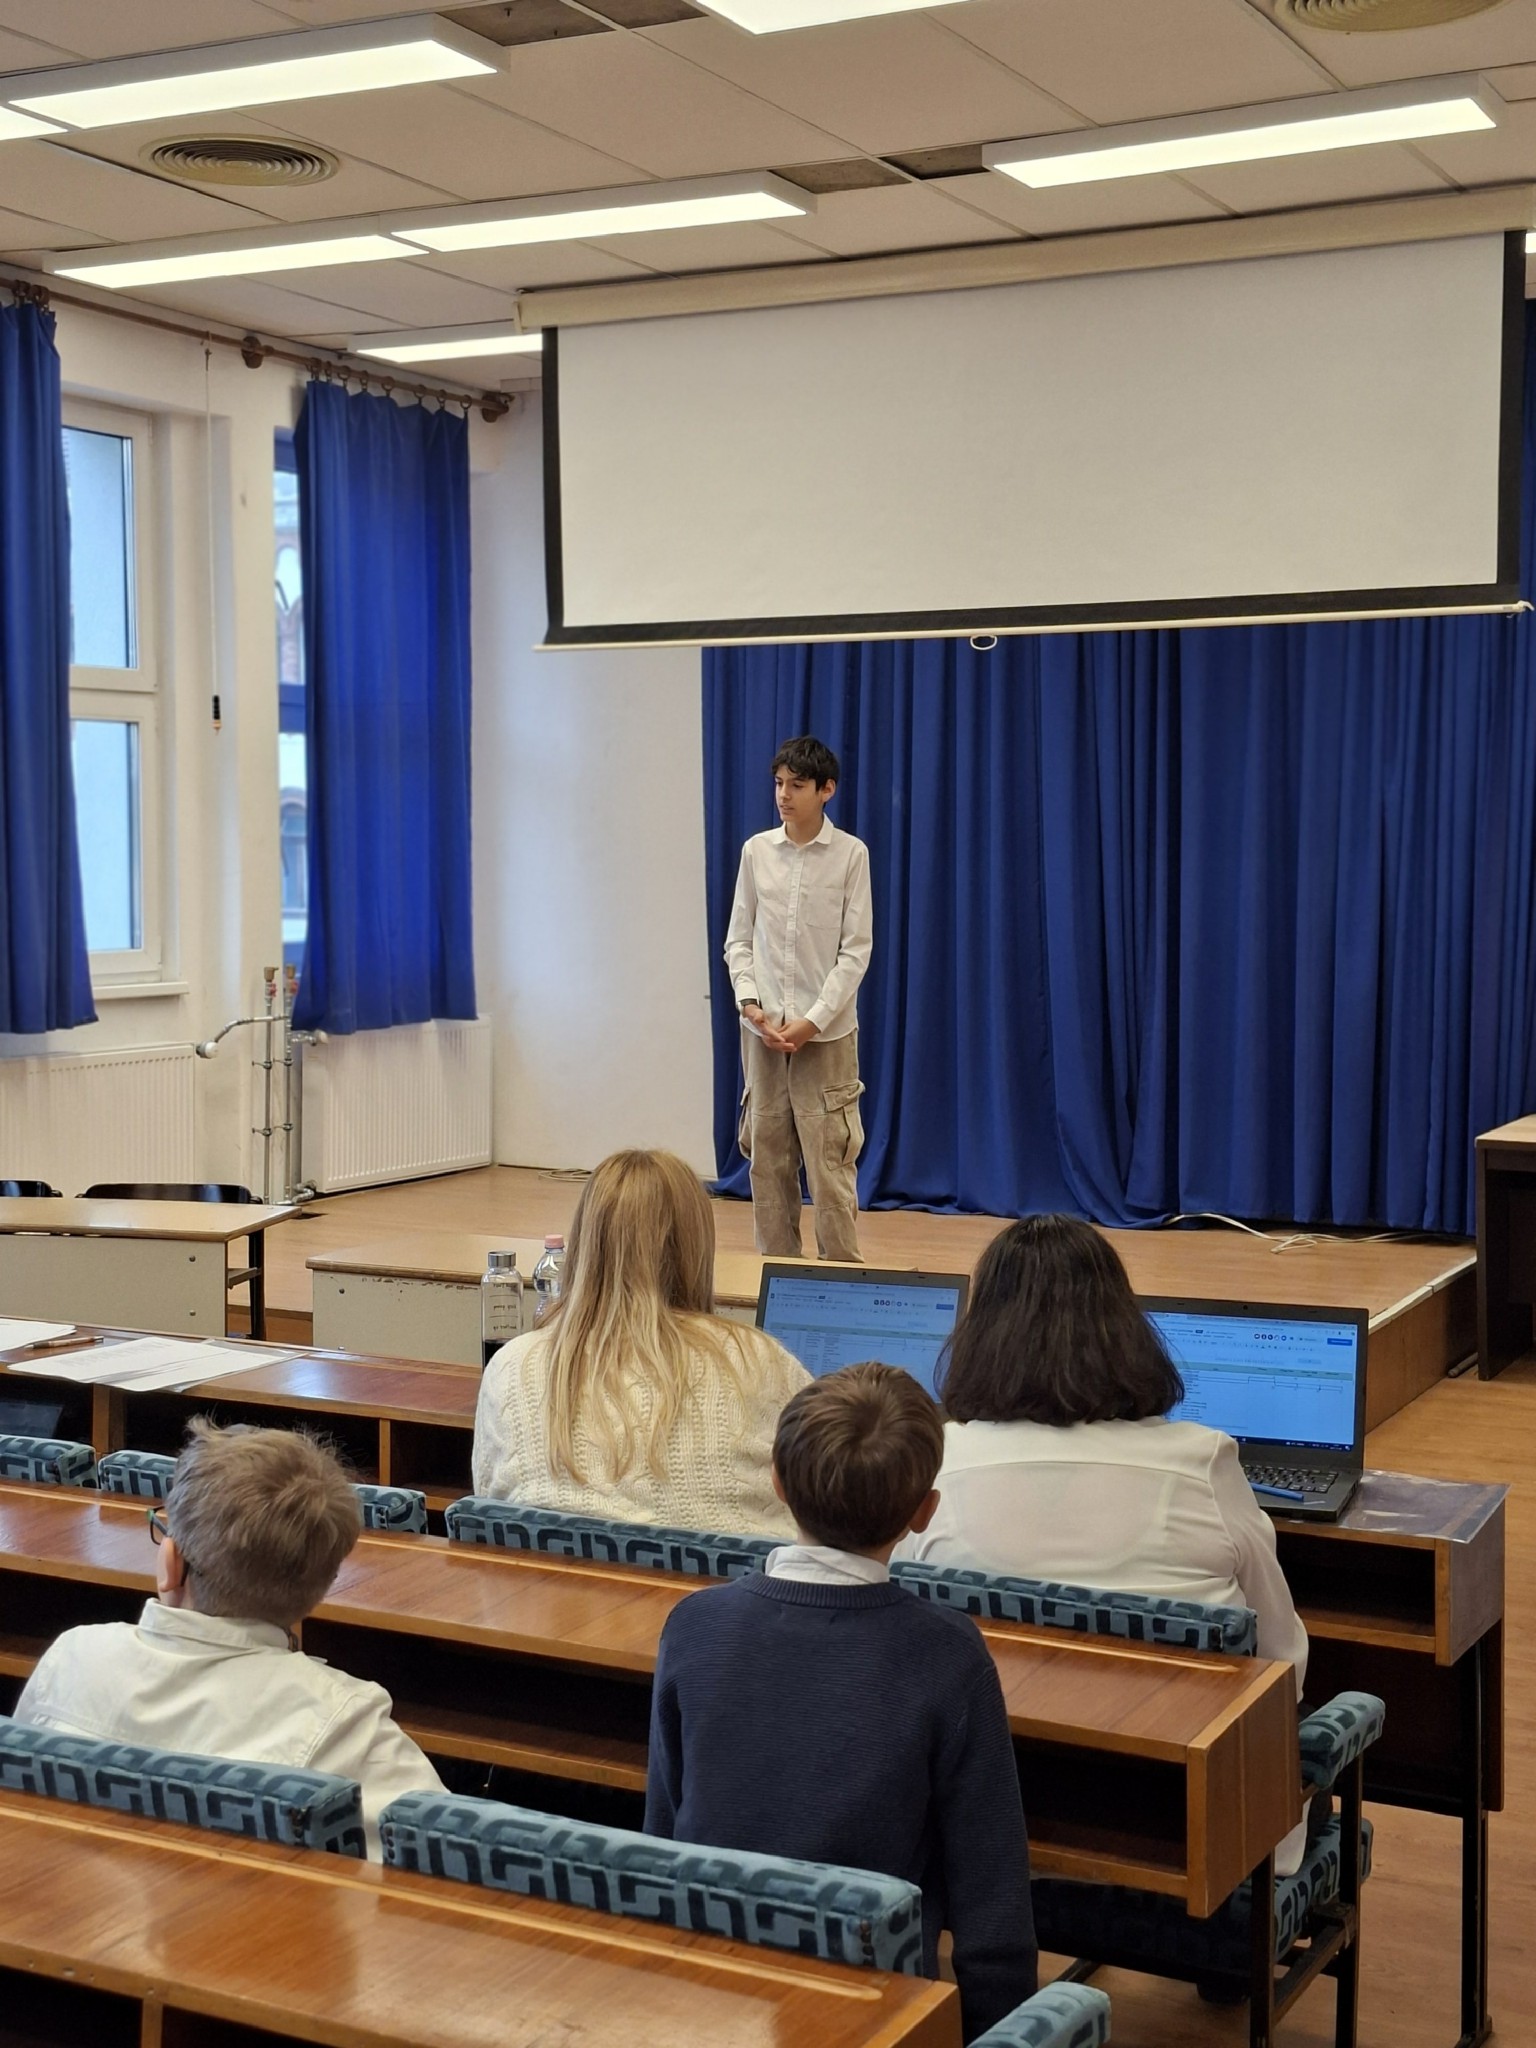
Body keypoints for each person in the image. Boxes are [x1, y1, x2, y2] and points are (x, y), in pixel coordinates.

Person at [899, 1212, 1312, 1874]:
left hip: (984, 1820)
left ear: (979, 1335)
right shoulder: (1202, 1460)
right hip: (1190, 1826)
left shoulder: (936, 1462)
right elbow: (1279, 1658)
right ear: (1124, 1330)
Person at [645, 1364, 1036, 2044]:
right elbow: (990, 1900)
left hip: (704, 2002)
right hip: (872, 2014)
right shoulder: (949, 1655)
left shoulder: (694, 1625)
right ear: (924, 1512)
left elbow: (662, 1837)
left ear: (776, 1481)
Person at [14, 1420, 442, 1857]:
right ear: (322, 1585)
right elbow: (442, 1853)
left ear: (170, 1563)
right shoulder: (345, 1723)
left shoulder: (73, 1658)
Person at [474, 1148, 810, 1535]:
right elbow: (826, 1508)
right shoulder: (763, 1362)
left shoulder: (511, 1366)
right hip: (734, 1575)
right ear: (697, 1246)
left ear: (584, 1242)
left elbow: (487, 1507)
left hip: (542, 1576)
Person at [724, 734, 872, 1263]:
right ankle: (776, 1272)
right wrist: (749, 1004)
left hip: (825, 1037)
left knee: (831, 1165)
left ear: (826, 790)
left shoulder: (851, 855)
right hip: (763, 1034)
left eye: (797, 785)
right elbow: (738, 941)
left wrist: (812, 1020)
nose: (784, 795)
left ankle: (841, 1275)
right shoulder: (756, 852)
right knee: (767, 1162)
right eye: (779, 784)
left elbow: (855, 952)